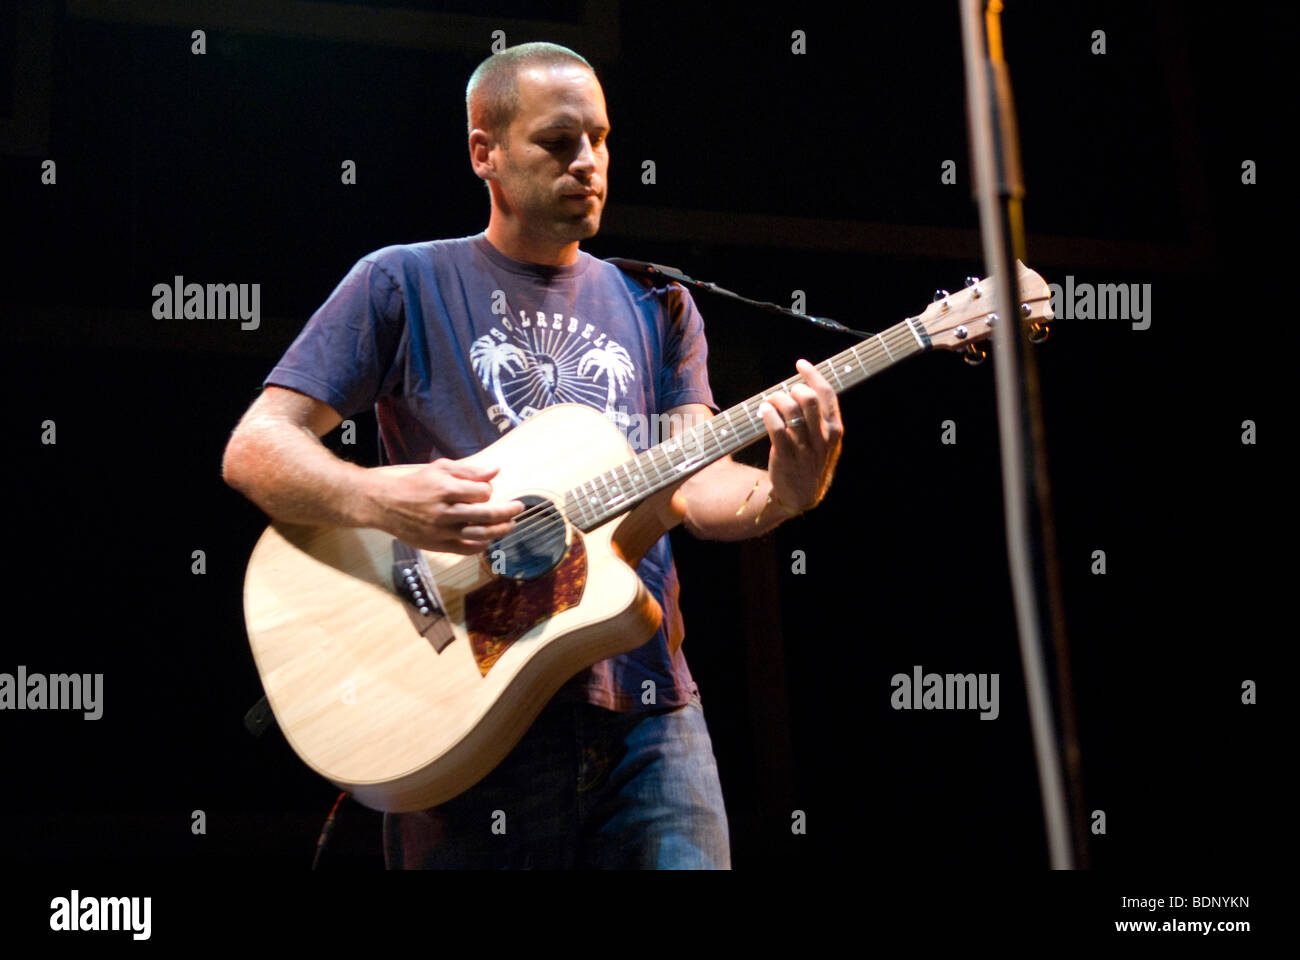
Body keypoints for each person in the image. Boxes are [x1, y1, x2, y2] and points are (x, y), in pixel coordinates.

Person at [221, 41, 844, 869]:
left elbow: (694, 485)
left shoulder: (660, 304)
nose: (588, 162)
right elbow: (256, 449)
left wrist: (784, 493)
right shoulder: (401, 282)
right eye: (558, 141)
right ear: (486, 151)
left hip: (646, 710)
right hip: (461, 699)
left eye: (601, 138)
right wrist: (380, 500)